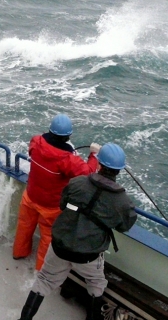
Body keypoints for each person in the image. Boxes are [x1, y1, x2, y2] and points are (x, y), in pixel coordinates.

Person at [18, 143, 137, 320]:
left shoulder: (77, 183)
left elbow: (62, 204)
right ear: (119, 170)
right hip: (88, 255)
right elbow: (124, 226)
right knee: (96, 284)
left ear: (99, 164)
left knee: (44, 280)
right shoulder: (123, 202)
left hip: (60, 246)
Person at [13, 114, 100, 271]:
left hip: (30, 196)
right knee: (47, 237)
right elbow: (88, 172)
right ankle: (41, 269)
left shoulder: (36, 141)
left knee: (24, 226)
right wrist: (93, 155)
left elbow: (37, 148)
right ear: (68, 137)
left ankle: (19, 253)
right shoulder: (67, 159)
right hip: (51, 206)